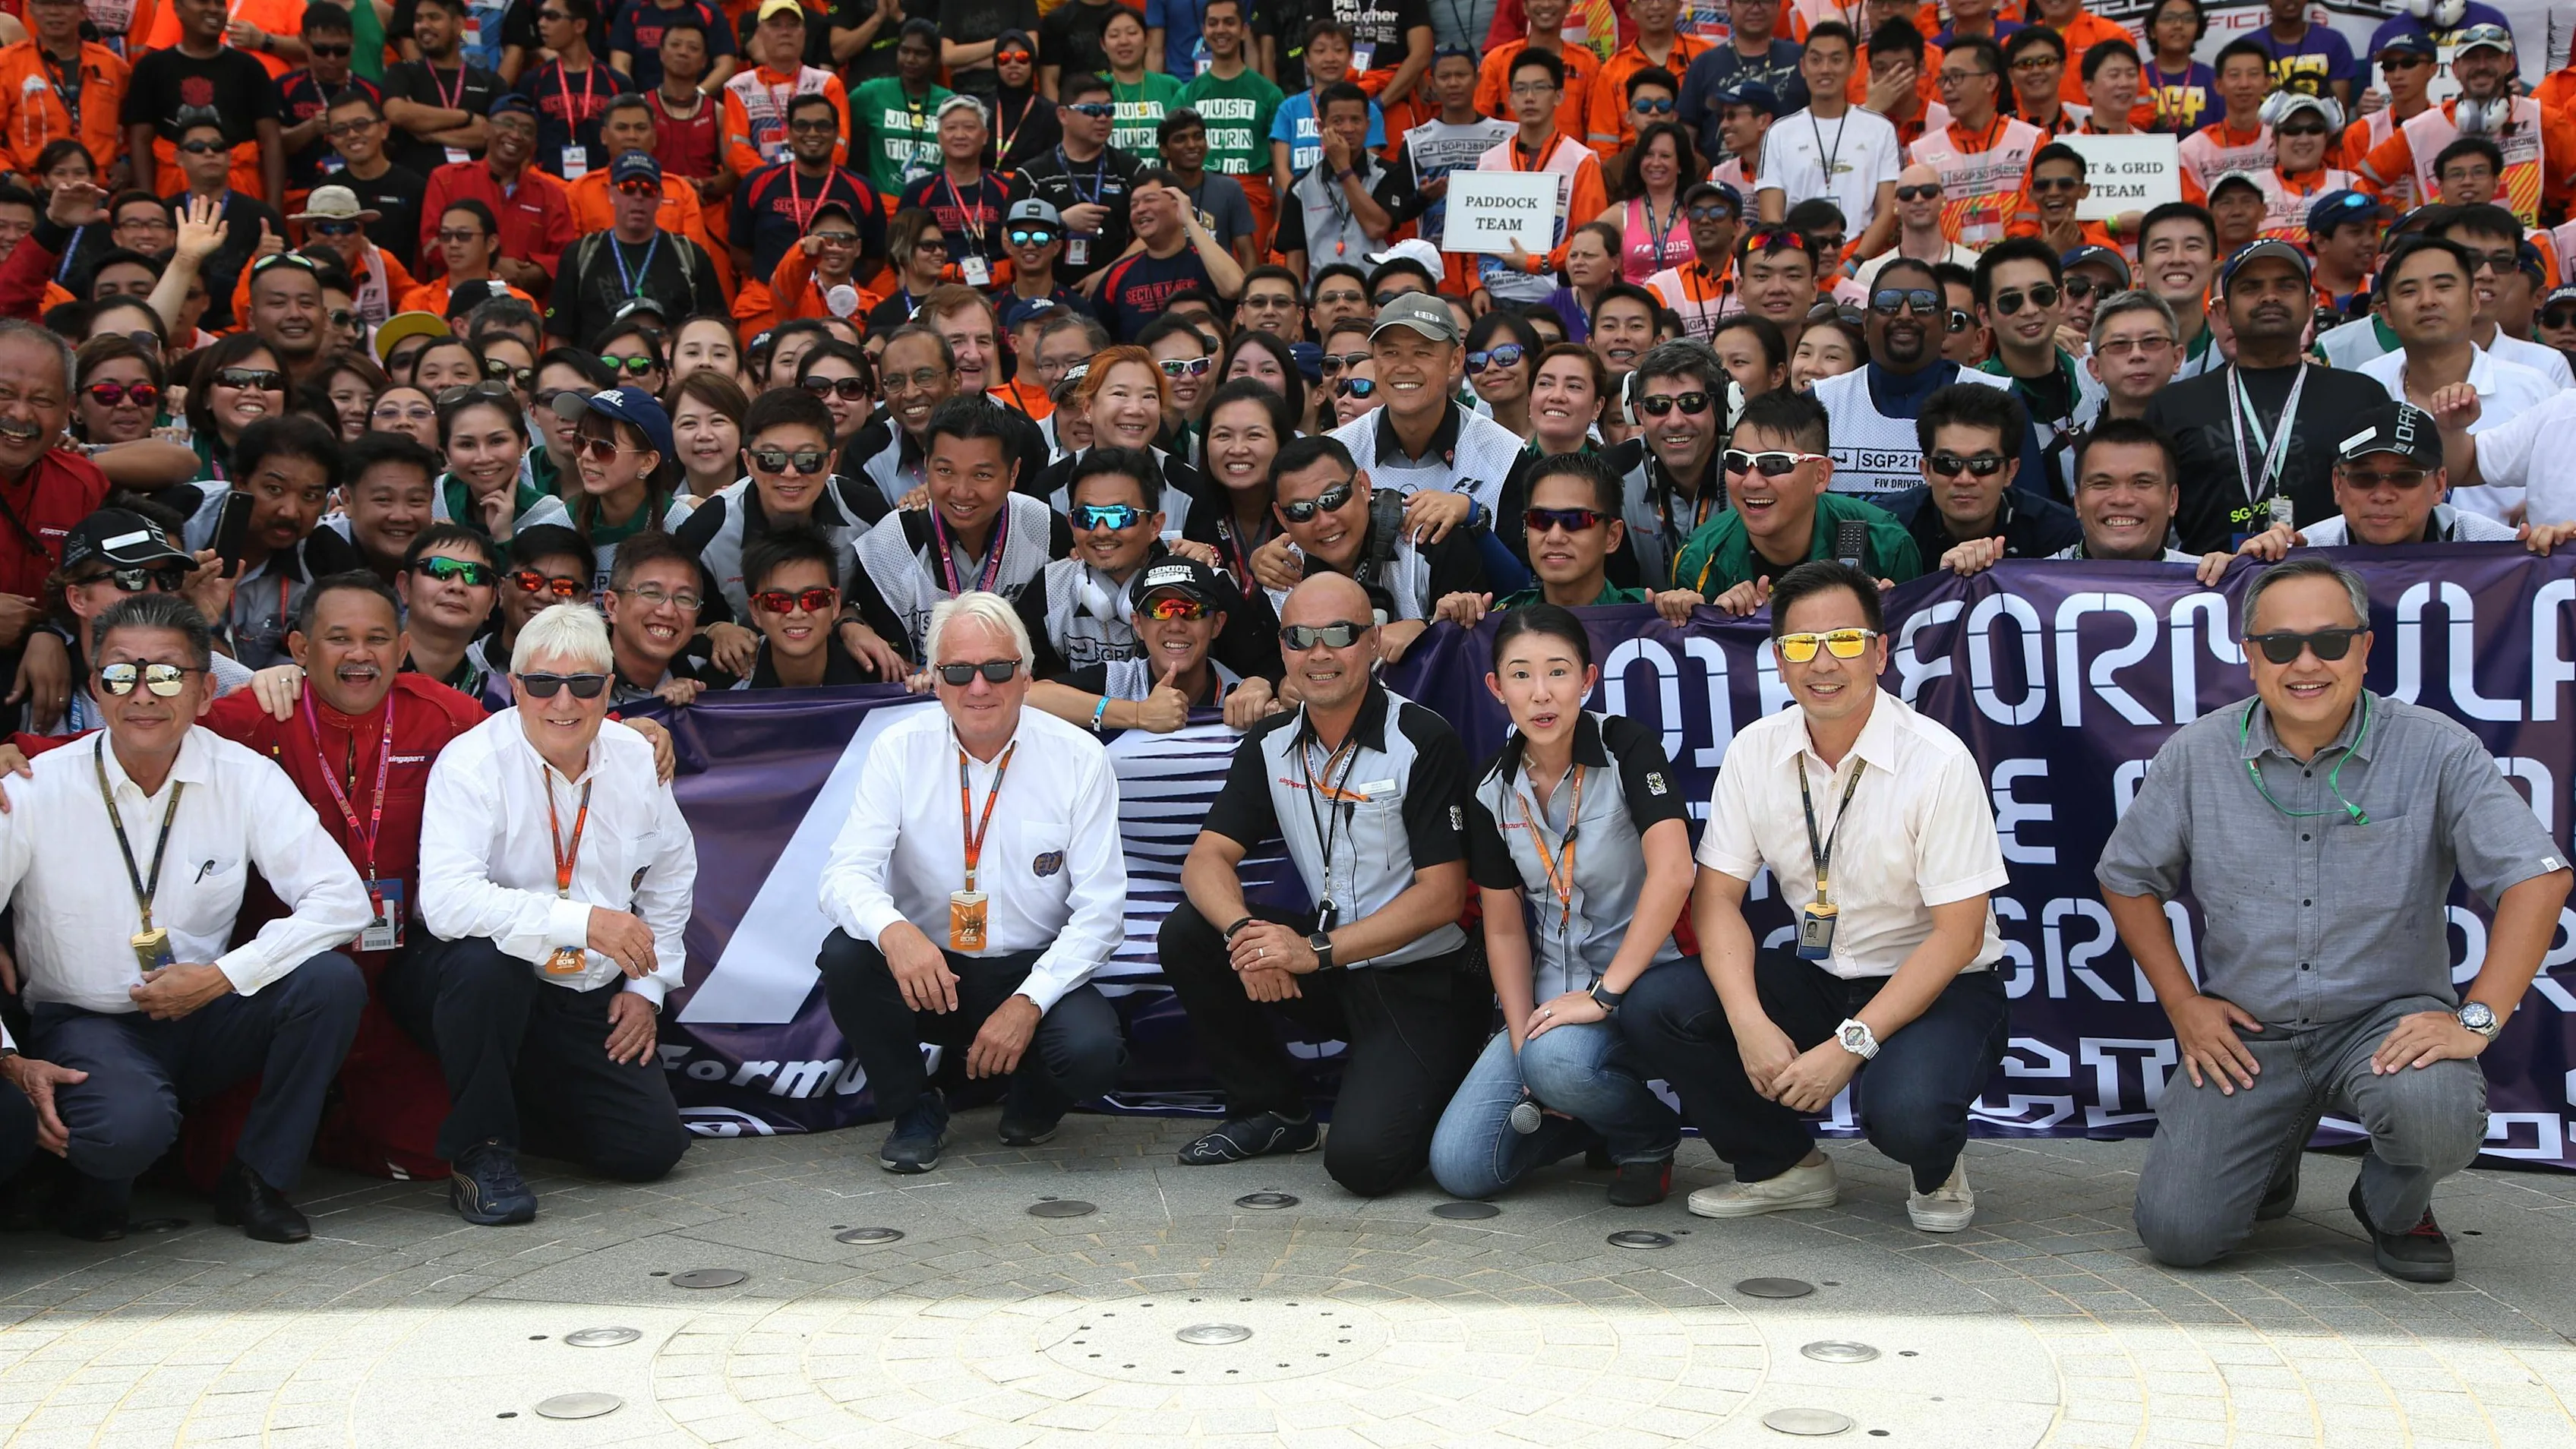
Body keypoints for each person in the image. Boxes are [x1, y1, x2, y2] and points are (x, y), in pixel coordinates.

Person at [2098, 556, 2570, 1281]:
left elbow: (2539, 879)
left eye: (2331, 641)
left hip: (2384, 1024)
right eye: (2281, 645)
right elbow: (2127, 880)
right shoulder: (2197, 753)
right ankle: (2266, 1167)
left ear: (2366, 648)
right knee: (2179, 1237)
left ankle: (2395, 1204)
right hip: (2252, 1034)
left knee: (2436, 1113)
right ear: (2250, 655)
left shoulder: (2436, 746)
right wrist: (2183, 1003)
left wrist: (2477, 1022)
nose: (2306, 663)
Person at [1622, 559, 2009, 1230]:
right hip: (1825, 974)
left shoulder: (1938, 761)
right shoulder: (1755, 750)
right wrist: (1748, 1023)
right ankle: (1784, 1168)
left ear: (1881, 652)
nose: (1823, 662)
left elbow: (1959, 936)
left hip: (1940, 984)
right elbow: (1715, 899)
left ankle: (1937, 1161)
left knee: (1907, 1119)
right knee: (1658, 1006)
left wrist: (1848, 1048)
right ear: (1778, 659)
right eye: (1802, 645)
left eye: (1846, 642)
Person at [1, 591, 371, 1240]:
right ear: (97, 687)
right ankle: (91, 1182)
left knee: (329, 985)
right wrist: (5, 1057)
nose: (144, 694)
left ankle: (257, 1178)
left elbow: (343, 899)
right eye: (122, 674)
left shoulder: (245, 776)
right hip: (89, 1021)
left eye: (168, 674)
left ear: (204, 693)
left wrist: (224, 977)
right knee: (124, 1131)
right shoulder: (35, 788)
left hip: (207, 1009)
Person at [1157, 571, 1483, 1192]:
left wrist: (1312, 951)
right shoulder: (1270, 741)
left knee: (1362, 1165)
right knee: (1191, 931)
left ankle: (1449, 1080)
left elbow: (1442, 898)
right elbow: (1204, 860)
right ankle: (1273, 1112)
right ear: (1281, 649)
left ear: (1373, 641)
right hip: (1327, 966)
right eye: (1300, 637)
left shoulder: (1423, 738)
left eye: (1339, 634)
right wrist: (1246, 934)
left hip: (1420, 979)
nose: (1320, 653)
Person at [814, 590, 1126, 1170]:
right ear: (935, 680)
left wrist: (1029, 1002)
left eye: (997, 669)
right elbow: (845, 873)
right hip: (932, 970)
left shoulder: (1080, 758)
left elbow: (1101, 912)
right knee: (847, 958)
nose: (978, 688)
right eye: (958, 671)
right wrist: (895, 932)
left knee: (1093, 1051)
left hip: (1031, 966)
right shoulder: (897, 749)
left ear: (1027, 676)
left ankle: (1032, 1105)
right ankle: (914, 1110)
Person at [411, 601, 693, 1223]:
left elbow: (673, 873)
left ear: (608, 689)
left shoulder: (636, 755)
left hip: (581, 985)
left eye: (583, 684)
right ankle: (480, 1151)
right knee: (487, 965)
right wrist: (585, 921)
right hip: (482, 975)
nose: (563, 702)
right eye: (543, 684)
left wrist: (646, 989)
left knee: (650, 1151)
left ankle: (517, 1108)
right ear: (514, 687)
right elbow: (446, 902)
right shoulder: (472, 762)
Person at [1426, 605, 1690, 1205]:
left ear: (1588, 681)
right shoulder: (1490, 788)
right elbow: (1503, 930)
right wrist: (1523, 1043)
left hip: (1644, 986)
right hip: (1553, 1007)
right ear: (1496, 689)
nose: (1541, 694)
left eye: (1558, 672)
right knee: (1462, 1168)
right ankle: (1593, 1118)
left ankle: (1647, 1137)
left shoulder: (1628, 747)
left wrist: (1605, 996)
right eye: (1520, 675)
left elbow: (1674, 873)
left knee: (1560, 1066)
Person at [2144, 238, 2390, 554]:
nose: (2270, 296)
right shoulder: (2174, 404)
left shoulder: (2361, 394)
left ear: (2311, 302)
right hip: (2211, 588)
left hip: (2337, 581)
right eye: (2251, 288)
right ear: (2223, 310)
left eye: (2286, 286)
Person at [842, 393, 1069, 665]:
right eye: (945, 471)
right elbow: (893, 664)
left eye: (982, 475)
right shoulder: (886, 546)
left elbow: (1052, 657)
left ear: (1013, 474)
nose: (962, 492)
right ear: (927, 464)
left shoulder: (1047, 530)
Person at [2356, 235, 2557, 522]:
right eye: (2409, 291)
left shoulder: (2533, 388)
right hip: (2393, 565)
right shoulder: (2366, 385)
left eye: (2443, 286)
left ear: (2474, 300)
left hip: (2510, 561)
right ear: (2386, 314)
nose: (2428, 301)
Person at [1671, 388, 1919, 607]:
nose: (1752, 481)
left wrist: (1885, 613)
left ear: (1821, 475)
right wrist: (1716, 617)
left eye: (1775, 463)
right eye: (1738, 461)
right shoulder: (1700, 556)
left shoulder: (1885, 546)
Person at [1806, 256, 2023, 497]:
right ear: (1866, 322)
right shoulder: (1819, 401)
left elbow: (2030, 513)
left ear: (1945, 323)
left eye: (1923, 303)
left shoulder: (2000, 399)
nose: (1905, 315)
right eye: (1889, 303)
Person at [2237, 399, 2551, 557]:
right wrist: (2246, 569)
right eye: (2363, 478)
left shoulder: (2494, 549)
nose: (2383, 495)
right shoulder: (2306, 550)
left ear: (2439, 485)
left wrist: (2556, 553)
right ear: (2337, 484)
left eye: (2405, 478)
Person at [2360, 25, 2576, 236]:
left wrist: (2567, 236)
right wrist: (2389, 233)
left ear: (2510, 63)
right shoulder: (2420, 129)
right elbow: (2362, 180)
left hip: (2520, 253)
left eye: (2491, 56)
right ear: (2455, 69)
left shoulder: (2540, 118)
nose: (2481, 66)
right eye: (2472, 58)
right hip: (2446, 256)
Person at [1883, 383, 2079, 576]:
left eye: (1983, 464)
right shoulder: (1888, 530)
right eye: (1948, 463)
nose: (1965, 479)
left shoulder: (2058, 533)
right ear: (1926, 471)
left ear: (2011, 471)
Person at [1438, 451, 1654, 626]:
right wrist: (1445, 628)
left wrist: (1686, 616)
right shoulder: (1498, 621)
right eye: (1540, 519)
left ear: (1612, 536)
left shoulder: (1649, 615)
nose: (1555, 536)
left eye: (1576, 520)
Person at [545, 153, 723, 347]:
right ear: (611, 194)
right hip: (595, 373)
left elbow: (718, 329)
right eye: (628, 188)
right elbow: (558, 334)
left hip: (669, 372)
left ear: (660, 198)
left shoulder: (690, 256)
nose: (638, 197)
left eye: (648, 190)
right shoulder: (580, 255)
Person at [122, 0, 285, 208]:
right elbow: (140, 141)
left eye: (220, 4)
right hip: (173, 194)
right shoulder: (152, 68)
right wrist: (148, 204)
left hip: (240, 193)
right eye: (202, 2)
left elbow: (271, 140)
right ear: (178, 9)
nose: (213, 10)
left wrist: (273, 210)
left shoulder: (249, 68)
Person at [1759, 25, 1897, 261]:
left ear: (1853, 66)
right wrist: (1799, 261)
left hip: (1860, 260)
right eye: (1816, 60)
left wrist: (1854, 264)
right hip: (1800, 257)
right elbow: (1772, 215)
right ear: (1803, 67)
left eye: (1836, 60)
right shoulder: (1780, 133)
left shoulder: (1880, 129)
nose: (1825, 69)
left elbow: (1887, 211)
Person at [1973, 236, 2097, 498]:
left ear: (2061, 299)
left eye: (2042, 295)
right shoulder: (1973, 396)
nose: (2029, 310)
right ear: (1984, 315)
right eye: (2010, 301)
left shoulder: (2098, 371)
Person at [417, 95, 573, 297]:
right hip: (456, 304)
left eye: (527, 131)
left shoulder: (552, 194)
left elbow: (565, 256)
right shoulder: (446, 179)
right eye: (507, 124)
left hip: (525, 308)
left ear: (534, 145)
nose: (516, 135)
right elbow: (431, 245)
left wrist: (533, 272)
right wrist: (492, 263)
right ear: (486, 130)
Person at [1274, 80, 1412, 286]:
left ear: (1368, 124)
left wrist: (1343, 170)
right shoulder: (1301, 186)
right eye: (1338, 121)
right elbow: (1295, 260)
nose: (1348, 129)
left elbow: (1376, 227)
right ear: (1321, 127)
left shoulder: (1388, 174)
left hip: (1374, 294)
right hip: (1321, 298)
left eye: (1356, 120)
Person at [1910, 37, 2038, 251]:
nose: (1947, 88)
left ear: (1990, 82)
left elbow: (2031, 216)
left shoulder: (2030, 140)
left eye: (1957, 77)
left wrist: (2007, 258)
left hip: (2015, 261)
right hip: (1949, 270)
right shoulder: (1922, 151)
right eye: (1943, 79)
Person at [1095, 170, 1247, 343]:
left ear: (1178, 205)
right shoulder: (1120, 273)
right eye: (1134, 205)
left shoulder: (1207, 259)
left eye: (1150, 200)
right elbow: (1098, 334)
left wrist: (1189, 220)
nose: (1140, 209)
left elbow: (1235, 287)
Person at [1020, 71, 1139, 289]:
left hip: (1117, 288)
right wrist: (1060, 221)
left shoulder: (1131, 170)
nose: (1103, 118)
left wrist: (1108, 275)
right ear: (1063, 115)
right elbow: (1008, 238)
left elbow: (1155, 234)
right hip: (1050, 294)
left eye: (1108, 110)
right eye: (1092, 110)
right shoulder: (1033, 174)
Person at [0, 0, 128, 190]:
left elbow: (132, 128)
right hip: (32, 192)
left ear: (83, 12)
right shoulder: (7, 65)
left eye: (65, 4)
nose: (54, 12)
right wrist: (10, 176)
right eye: (45, 4)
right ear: (30, 10)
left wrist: (125, 162)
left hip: (97, 191)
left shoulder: (113, 67)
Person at [377, 0, 505, 182]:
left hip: (476, 187)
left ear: (459, 24)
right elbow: (397, 113)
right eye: (419, 19)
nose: (424, 26)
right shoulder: (403, 72)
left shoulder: (489, 81)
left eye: (434, 18)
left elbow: (495, 135)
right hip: (416, 186)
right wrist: (467, 117)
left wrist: (431, 134)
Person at [1678, 0, 1806, 166]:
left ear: (1778, 6)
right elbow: (1686, 129)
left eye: (1764, 2)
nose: (1755, 8)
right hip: (1720, 183)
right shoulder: (1704, 64)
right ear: (1729, 7)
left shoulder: (1802, 59)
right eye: (1746, 1)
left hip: (1792, 178)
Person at [1644, 181, 1742, 343]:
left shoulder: (1752, 277)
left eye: (1716, 212)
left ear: (1736, 226)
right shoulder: (1662, 286)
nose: (1704, 220)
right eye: (1696, 213)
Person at [2135, 200, 2223, 379]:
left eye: (2192, 246)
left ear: (2213, 268)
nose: (2177, 259)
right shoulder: (2105, 356)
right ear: (2139, 272)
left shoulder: (2231, 354)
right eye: (2162, 248)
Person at [1855, 165, 1976, 289]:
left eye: (1928, 191)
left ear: (1944, 201)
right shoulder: (1870, 273)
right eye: (1907, 193)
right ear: (1895, 205)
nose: (1918, 199)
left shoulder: (1974, 266)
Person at [2085, 289, 2180, 423]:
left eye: (2151, 341)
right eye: (2119, 344)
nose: (2137, 355)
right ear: (2095, 368)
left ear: (2176, 358)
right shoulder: (2075, 444)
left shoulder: (2207, 440)